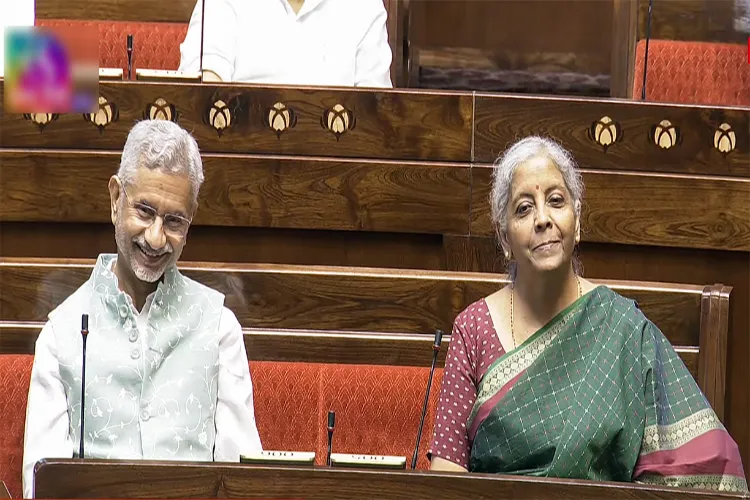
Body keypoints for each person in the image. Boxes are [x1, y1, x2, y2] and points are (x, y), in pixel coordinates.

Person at [428, 136, 748, 493]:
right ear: (505, 239)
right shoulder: (473, 329)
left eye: (555, 201)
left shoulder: (623, 328)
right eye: (523, 208)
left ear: (577, 221)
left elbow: (700, 468)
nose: (542, 219)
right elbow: (446, 474)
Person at [22, 120, 263, 499]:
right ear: (116, 199)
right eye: (145, 211)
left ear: (190, 221)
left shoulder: (220, 329)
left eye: (173, 221)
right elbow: (42, 487)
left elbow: (243, 483)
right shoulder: (61, 333)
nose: (155, 237)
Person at [178, 0, 393, 88]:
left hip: (335, 167)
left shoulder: (365, 6)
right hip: (237, 161)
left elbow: (376, 111)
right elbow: (200, 92)